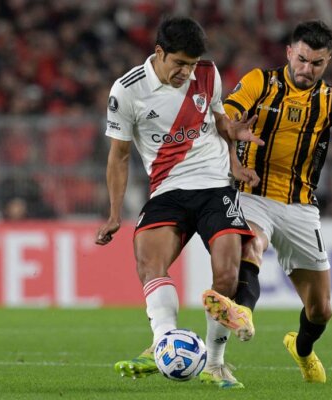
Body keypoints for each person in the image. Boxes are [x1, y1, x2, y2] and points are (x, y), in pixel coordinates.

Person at [95, 16, 264, 389]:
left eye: (191, 64)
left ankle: (215, 364)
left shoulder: (208, 73)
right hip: (167, 190)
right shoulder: (128, 90)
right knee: (149, 263)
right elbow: (118, 157)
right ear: (159, 53)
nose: (187, 72)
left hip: (214, 185)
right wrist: (113, 213)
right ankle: (164, 342)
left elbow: (221, 122)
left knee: (226, 275)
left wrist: (235, 161)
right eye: (179, 64)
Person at [223, 20, 332, 383]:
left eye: (316, 63)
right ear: (289, 52)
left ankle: (301, 349)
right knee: (252, 245)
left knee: (321, 311)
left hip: (300, 207)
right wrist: (234, 159)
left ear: (328, 62)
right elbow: (224, 117)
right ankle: (242, 313)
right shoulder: (260, 81)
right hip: (252, 193)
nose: (306, 69)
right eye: (301, 59)